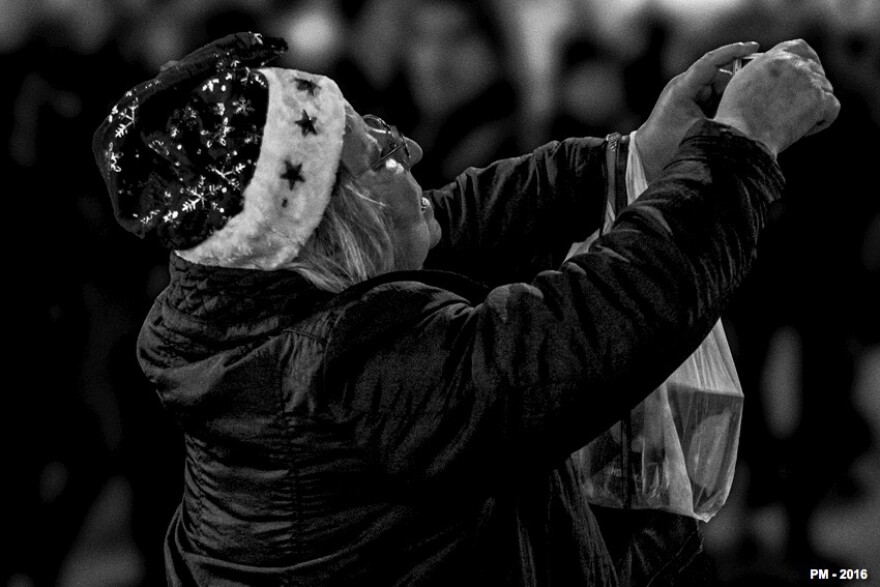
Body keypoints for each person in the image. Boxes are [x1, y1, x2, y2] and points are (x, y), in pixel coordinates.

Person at [92, 32, 838, 586]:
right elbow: (589, 322)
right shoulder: (348, 371)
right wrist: (740, 146)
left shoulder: (261, 304)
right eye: (377, 155)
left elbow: (444, 221)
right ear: (332, 228)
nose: (409, 148)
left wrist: (633, 155)